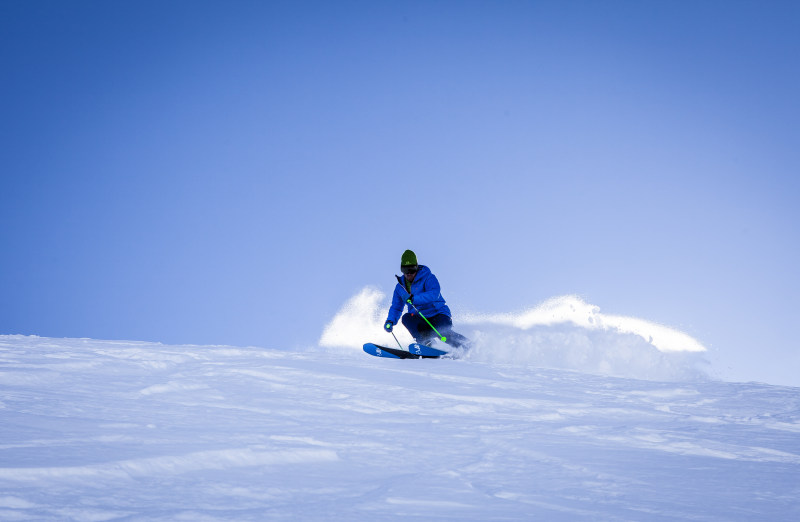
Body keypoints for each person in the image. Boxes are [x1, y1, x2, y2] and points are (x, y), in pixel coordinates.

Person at [383, 250, 469, 349]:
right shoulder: (400, 288)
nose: (409, 274)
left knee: (442, 333)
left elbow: (434, 294)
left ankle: (466, 346)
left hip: (438, 314)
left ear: (416, 267)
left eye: (412, 269)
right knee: (406, 318)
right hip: (420, 319)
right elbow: (396, 307)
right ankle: (426, 345)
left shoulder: (428, 277)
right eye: (406, 270)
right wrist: (390, 321)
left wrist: (414, 299)